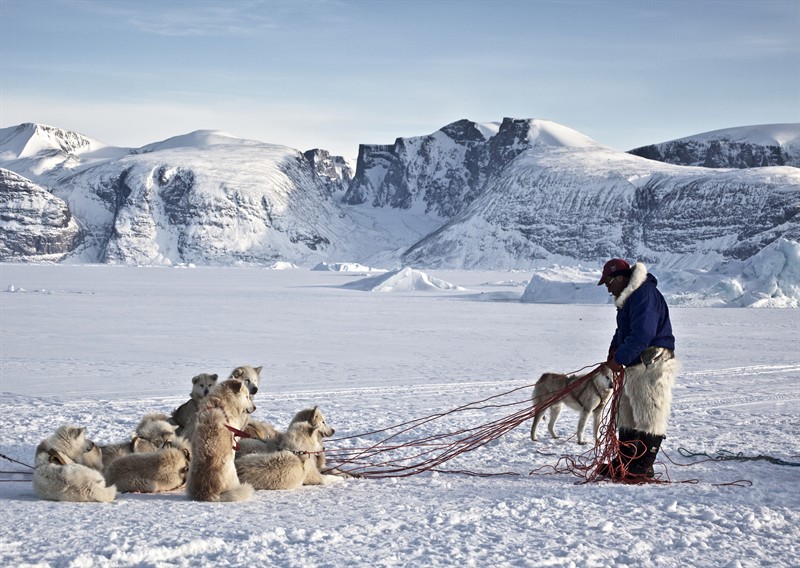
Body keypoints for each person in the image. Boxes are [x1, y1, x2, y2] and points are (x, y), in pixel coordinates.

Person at [595, 258, 679, 481]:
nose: (607, 287)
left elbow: (642, 333)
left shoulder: (644, 294)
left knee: (649, 412)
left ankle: (643, 465)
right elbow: (623, 330)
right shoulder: (628, 298)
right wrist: (614, 351)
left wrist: (620, 358)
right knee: (628, 410)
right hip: (635, 362)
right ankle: (625, 460)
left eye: (608, 282)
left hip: (652, 361)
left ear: (621, 278)